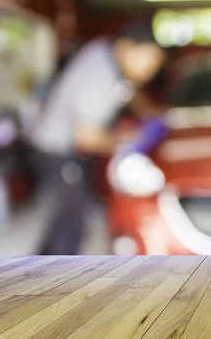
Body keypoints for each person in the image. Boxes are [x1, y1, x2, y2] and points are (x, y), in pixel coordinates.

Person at [29, 20, 166, 255]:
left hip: (67, 150)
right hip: (59, 151)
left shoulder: (109, 55)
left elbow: (129, 90)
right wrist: (126, 140)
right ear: (125, 48)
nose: (151, 71)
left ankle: (39, 267)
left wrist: (151, 113)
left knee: (65, 217)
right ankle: (53, 281)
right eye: (148, 60)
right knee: (71, 223)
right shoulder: (99, 75)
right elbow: (87, 138)